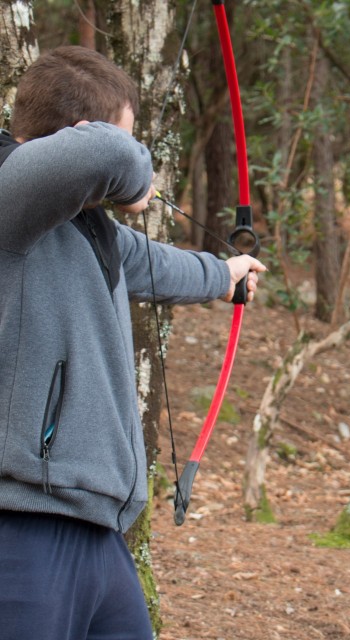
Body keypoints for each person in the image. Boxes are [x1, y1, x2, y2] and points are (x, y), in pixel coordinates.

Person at [0, 45, 266, 639]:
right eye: (131, 136)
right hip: (23, 530)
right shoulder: (8, 197)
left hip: (97, 533)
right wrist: (135, 176)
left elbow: (158, 265)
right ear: (80, 133)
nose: (134, 151)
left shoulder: (83, 226)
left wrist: (226, 275)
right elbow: (107, 153)